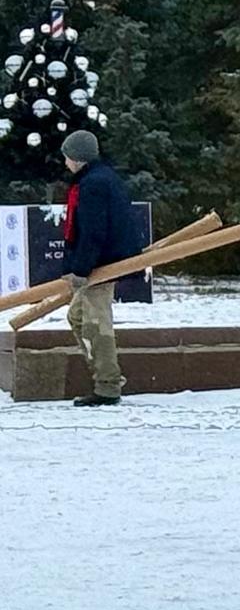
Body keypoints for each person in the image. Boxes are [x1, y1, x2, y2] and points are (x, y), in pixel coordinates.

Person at [59, 129, 138, 408]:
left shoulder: (93, 184)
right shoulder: (100, 177)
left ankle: (107, 386)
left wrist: (80, 269)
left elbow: (93, 231)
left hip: (103, 265)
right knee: (78, 317)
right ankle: (106, 377)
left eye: (67, 156)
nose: (65, 162)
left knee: (94, 324)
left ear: (77, 158)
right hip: (102, 261)